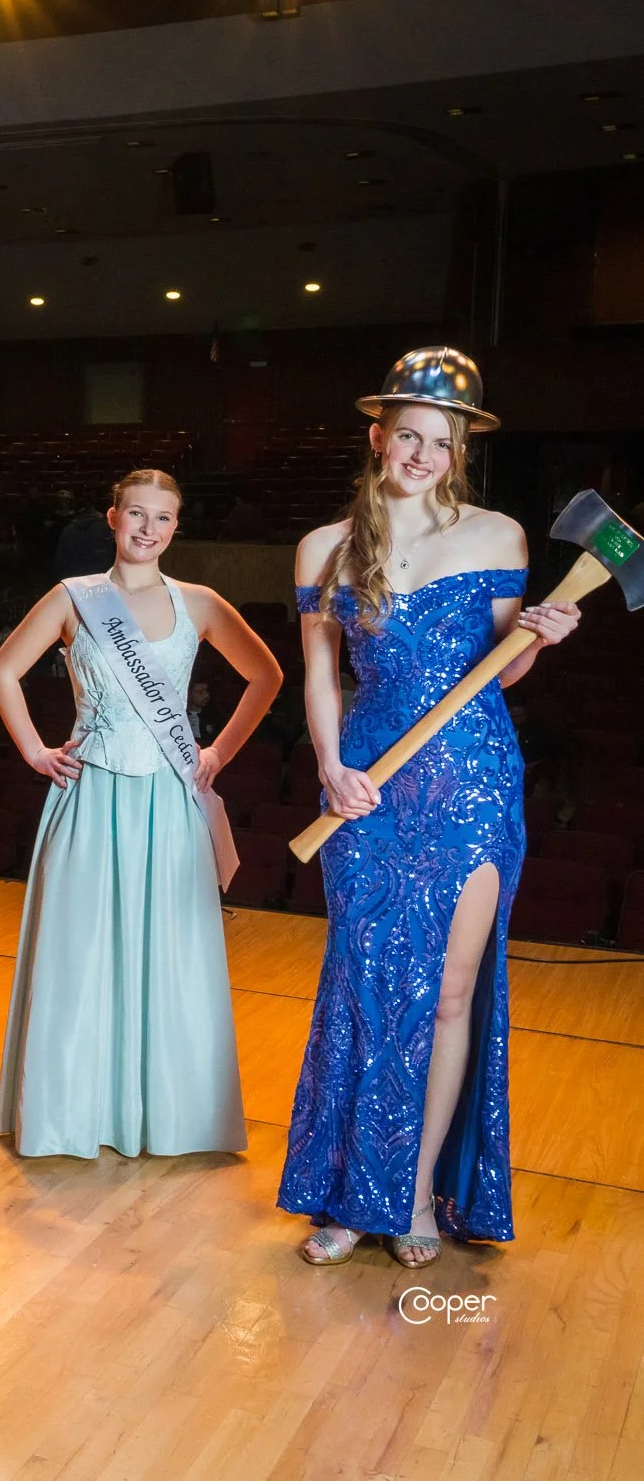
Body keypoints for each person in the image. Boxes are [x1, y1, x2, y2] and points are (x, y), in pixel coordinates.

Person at [280, 349, 578, 1267]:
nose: (417, 454)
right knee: (361, 991)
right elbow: (322, 673)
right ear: (376, 437)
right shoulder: (323, 547)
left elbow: (502, 668)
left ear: (458, 454)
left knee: (448, 995)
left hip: (471, 782)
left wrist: (541, 637)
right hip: (366, 784)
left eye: (437, 443)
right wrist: (330, 766)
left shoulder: (498, 537)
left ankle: (410, 1198)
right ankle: (345, 1198)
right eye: (404, 434)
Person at [0, 469, 282, 1159]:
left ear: (175, 528)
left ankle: (169, 1118)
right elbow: (2, 670)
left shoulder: (200, 602)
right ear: (112, 517)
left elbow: (265, 676)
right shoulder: (73, 599)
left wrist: (217, 753)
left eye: (163, 519)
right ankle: (70, 1115)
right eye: (136, 515)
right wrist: (34, 751)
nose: (147, 529)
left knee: (169, 953)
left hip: (167, 797)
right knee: (79, 951)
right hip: (89, 793)